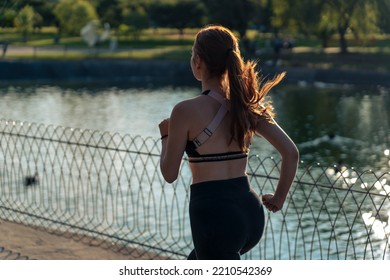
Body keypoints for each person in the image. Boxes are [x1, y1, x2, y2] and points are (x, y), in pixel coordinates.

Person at [158, 25, 299, 260]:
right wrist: (279, 198)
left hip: (215, 218)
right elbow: (291, 152)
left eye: (192, 54)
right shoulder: (246, 106)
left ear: (198, 62)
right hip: (250, 214)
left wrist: (165, 135)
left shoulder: (184, 111)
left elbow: (169, 173)